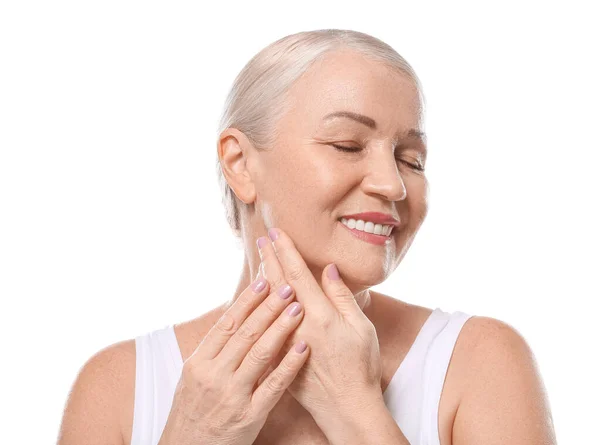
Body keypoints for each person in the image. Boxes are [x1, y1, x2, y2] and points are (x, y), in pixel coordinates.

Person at [57, 29, 557, 445]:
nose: (393, 183)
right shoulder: (120, 386)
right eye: (346, 144)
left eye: (412, 159)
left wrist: (356, 412)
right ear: (240, 164)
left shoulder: (480, 363)